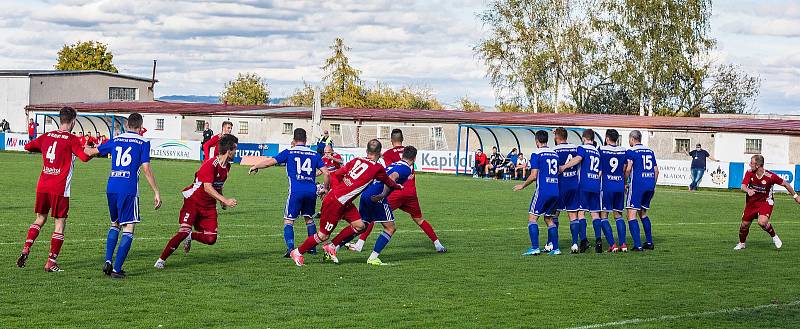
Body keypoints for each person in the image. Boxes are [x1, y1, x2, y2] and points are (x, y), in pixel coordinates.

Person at [288, 139, 403, 266]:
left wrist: (335, 190)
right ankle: (298, 252)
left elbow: (335, 175)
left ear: (366, 151)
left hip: (343, 201)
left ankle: (331, 246)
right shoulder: (377, 168)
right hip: (335, 203)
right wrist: (397, 186)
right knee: (323, 235)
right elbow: (388, 181)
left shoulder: (356, 160)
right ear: (380, 153)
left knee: (360, 226)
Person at [16, 107, 95, 272]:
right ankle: (51, 262)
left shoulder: (46, 136)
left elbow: (28, 147)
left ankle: (26, 249)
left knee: (40, 219)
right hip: (59, 188)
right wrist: (93, 150)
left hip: (43, 186)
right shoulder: (72, 139)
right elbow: (84, 158)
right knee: (59, 224)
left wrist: (43, 148)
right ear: (73, 121)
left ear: (61, 119)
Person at [347, 129, 447, 253]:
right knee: (419, 219)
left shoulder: (388, 154)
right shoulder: (409, 151)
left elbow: (389, 175)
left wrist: (381, 192)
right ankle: (438, 244)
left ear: (391, 139)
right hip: (411, 192)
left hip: (395, 192)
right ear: (402, 139)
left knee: (372, 216)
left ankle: (359, 244)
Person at [155, 135, 239, 269]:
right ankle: (161, 260)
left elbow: (218, 186)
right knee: (182, 231)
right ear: (229, 150)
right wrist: (226, 200)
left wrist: (221, 200)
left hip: (209, 206)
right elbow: (207, 187)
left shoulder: (227, 167)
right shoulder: (210, 164)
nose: (236, 152)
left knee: (211, 239)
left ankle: (191, 236)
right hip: (193, 202)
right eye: (235, 149)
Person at [96, 113, 161, 279]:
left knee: (114, 223)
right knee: (129, 227)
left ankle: (109, 260)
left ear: (126, 125)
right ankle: (117, 270)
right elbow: (146, 168)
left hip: (111, 186)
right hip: (128, 188)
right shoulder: (143, 142)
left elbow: (93, 151)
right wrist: (156, 191)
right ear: (140, 127)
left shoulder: (116, 139)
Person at [248, 128, 329, 257]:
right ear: (306, 139)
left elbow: (270, 162)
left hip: (296, 191)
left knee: (288, 221)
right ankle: (312, 248)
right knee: (309, 219)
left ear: (294, 139)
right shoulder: (314, 154)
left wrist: (256, 166)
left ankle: (291, 249)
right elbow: (326, 172)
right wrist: (325, 188)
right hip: (311, 191)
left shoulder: (289, 152)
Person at [353, 146, 417, 265]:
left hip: (367, 193)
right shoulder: (406, 168)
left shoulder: (394, 164)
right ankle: (373, 257)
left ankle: (334, 246)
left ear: (403, 156)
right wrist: (382, 195)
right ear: (414, 158)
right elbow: (392, 177)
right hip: (378, 197)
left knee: (362, 225)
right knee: (390, 228)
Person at [735, 155, 800, 250]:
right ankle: (742, 243)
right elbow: (743, 186)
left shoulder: (770, 176)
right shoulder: (749, 173)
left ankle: (774, 237)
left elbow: (786, 184)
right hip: (751, 203)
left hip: (765, 202)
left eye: (751, 163)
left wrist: (796, 196)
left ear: (757, 165)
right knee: (744, 225)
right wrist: (748, 190)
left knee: (762, 222)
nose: (749, 164)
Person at [560, 129, 609, 253]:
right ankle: (598, 240)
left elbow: (578, 159)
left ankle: (584, 240)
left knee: (581, 213)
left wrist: (564, 166)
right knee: (595, 213)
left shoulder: (582, 148)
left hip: (583, 185)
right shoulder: (597, 152)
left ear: (583, 138)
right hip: (595, 185)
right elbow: (600, 172)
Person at [513, 130, 561, 256]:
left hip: (543, 190)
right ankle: (555, 249)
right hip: (556, 190)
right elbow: (558, 171)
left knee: (532, 218)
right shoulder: (555, 154)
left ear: (536, 141)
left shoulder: (536, 153)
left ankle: (535, 248)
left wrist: (523, 185)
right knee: (549, 219)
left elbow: (534, 175)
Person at [551, 128, 585, 252]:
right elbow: (580, 157)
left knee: (554, 214)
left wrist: (563, 167)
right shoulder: (575, 147)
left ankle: (552, 244)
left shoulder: (553, 150)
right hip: (573, 184)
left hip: (560, 185)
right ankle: (575, 243)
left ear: (556, 137)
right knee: (573, 215)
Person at [625, 130, 659, 251]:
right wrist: (652, 185)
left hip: (637, 186)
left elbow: (628, 168)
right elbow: (656, 171)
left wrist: (625, 182)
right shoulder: (650, 151)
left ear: (632, 139)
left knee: (631, 215)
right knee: (643, 213)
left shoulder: (631, 151)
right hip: (650, 185)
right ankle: (649, 242)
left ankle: (638, 245)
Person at [598, 129, 627, 252]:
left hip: (606, 186)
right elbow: (626, 167)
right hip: (619, 186)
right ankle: (623, 245)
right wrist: (623, 181)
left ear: (606, 138)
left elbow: (598, 169)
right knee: (618, 215)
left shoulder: (601, 150)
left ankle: (612, 245)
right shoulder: (623, 150)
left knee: (603, 216)